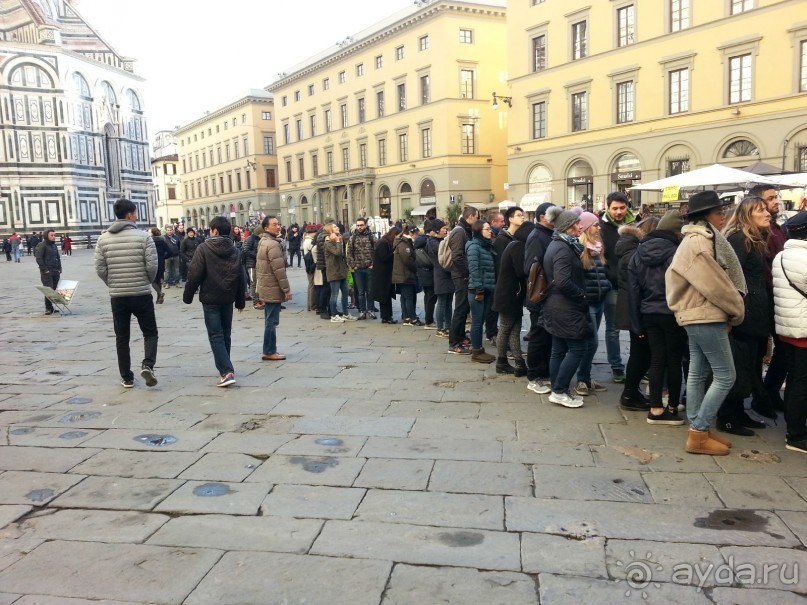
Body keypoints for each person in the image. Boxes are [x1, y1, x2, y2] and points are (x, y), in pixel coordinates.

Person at [666, 191, 746, 456]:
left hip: (697, 314)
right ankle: (699, 432)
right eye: (719, 212)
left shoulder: (696, 240)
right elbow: (716, 286)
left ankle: (697, 429)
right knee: (726, 375)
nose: (723, 216)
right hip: (704, 314)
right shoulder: (700, 243)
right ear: (706, 217)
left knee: (698, 372)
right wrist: (736, 311)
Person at [715, 196, 773, 437]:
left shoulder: (756, 239)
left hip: (756, 312)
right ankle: (727, 416)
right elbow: (730, 279)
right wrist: (731, 314)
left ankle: (738, 410)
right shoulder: (740, 239)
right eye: (761, 210)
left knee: (750, 363)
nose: (768, 213)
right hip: (744, 313)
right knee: (739, 364)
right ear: (748, 214)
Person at [627, 210, 686, 425]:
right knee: (674, 361)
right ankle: (671, 407)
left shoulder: (638, 253)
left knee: (657, 360)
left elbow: (633, 292)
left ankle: (655, 408)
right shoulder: (677, 252)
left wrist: (636, 324)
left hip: (648, 313)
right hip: (672, 313)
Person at [94, 199, 159, 388]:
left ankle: (127, 377)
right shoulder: (144, 237)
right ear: (130, 214)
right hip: (141, 294)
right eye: (136, 213)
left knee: (122, 337)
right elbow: (152, 265)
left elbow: (99, 268)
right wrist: (146, 280)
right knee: (150, 332)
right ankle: (148, 365)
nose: (137, 216)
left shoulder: (103, 238)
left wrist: (112, 283)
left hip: (118, 296)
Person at [183, 216, 246, 387]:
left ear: (214, 231)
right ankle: (226, 366)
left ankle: (226, 371)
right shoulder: (235, 250)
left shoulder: (204, 248)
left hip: (210, 298)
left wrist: (187, 296)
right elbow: (242, 277)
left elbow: (194, 273)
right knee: (225, 333)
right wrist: (240, 301)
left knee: (216, 335)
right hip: (228, 298)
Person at [748, 184, 788, 418]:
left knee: (782, 348)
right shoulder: (757, 234)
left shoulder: (778, 229)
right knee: (760, 348)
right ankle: (760, 395)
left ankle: (769, 390)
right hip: (764, 296)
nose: (776, 202)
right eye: (770, 199)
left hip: (779, 295)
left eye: (776, 198)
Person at [543, 211, 589, 408]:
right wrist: (581, 295)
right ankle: (560, 390)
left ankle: (557, 389)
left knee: (558, 350)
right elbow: (562, 281)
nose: (580, 227)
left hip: (556, 305)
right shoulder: (563, 247)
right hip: (565, 306)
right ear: (569, 227)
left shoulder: (558, 244)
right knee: (577, 349)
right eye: (577, 224)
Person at [772, 212, 807, 452]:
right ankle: (796, 434)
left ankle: (794, 428)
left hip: (787, 327)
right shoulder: (803, 258)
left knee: (795, 380)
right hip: (803, 330)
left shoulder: (782, 256)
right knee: (801, 383)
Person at [615, 217, 658, 412]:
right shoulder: (633, 252)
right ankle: (629, 393)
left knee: (640, 353)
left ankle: (631, 392)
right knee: (640, 354)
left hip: (633, 307)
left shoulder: (629, 248)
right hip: (635, 309)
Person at [599, 192, 637, 383]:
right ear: (608, 208)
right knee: (613, 328)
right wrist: (609, 277)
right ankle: (616, 366)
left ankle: (638, 366)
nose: (619, 212)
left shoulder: (635, 225)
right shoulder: (601, 227)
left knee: (636, 327)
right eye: (615, 208)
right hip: (613, 284)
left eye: (622, 208)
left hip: (633, 284)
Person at [574, 212, 611, 397]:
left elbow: (602, 273)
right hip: (587, 301)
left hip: (599, 299)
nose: (598, 228)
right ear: (586, 227)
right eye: (595, 225)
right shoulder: (580, 248)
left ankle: (586, 377)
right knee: (591, 342)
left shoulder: (598, 248)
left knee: (592, 342)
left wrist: (606, 286)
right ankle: (581, 378)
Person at [524, 204, 559, 395]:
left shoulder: (547, 233)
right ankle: (535, 375)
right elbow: (530, 267)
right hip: (540, 294)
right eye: (551, 215)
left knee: (545, 335)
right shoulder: (537, 236)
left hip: (546, 293)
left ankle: (543, 372)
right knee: (538, 334)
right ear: (541, 217)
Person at [492, 220, 533, 375]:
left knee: (514, 330)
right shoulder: (518, 246)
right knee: (505, 329)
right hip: (509, 295)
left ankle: (519, 363)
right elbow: (521, 271)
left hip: (511, 294)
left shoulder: (515, 244)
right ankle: (501, 362)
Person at [256, 215, 291, 360]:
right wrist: (286, 289)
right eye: (274, 224)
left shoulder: (263, 241)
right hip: (272, 287)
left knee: (269, 319)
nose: (278, 226)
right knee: (272, 321)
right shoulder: (272, 244)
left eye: (278, 224)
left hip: (266, 285)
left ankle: (269, 350)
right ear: (266, 228)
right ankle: (269, 351)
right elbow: (279, 271)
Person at [447, 206, 479, 354]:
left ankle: (460, 337)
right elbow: (457, 256)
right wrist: (467, 273)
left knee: (464, 308)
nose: (477, 220)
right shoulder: (459, 231)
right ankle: (453, 343)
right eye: (477, 217)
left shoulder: (463, 230)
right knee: (460, 309)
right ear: (471, 216)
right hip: (461, 276)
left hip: (462, 275)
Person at [465, 220, 496, 363]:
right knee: (477, 322)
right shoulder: (473, 247)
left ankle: (479, 349)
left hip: (487, 288)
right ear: (479, 231)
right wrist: (479, 288)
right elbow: (474, 270)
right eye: (487, 229)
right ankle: (476, 351)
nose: (490, 231)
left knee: (481, 320)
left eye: (490, 229)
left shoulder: (486, 246)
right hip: (478, 290)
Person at [347, 217, 376, 320]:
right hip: (358, 269)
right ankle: (362, 311)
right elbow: (349, 253)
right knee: (360, 292)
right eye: (358, 225)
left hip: (369, 268)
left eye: (361, 225)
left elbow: (376, 251)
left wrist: (373, 264)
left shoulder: (371, 237)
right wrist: (353, 265)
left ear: (365, 225)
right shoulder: (352, 238)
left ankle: (371, 310)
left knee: (370, 291)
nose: (359, 227)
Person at [371, 226, 401, 324]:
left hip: (385, 274)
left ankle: (387, 316)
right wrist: (394, 253)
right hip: (382, 275)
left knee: (386, 296)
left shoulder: (385, 242)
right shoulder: (383, 243)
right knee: (384, 296)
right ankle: (386, 317)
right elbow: (384, 257)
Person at [325, 224, 354, 322]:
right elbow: (337, 253)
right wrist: (338, 241)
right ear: (330, 231)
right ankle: (334, 315)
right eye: (335, 227)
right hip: (333, 272)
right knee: (334, 295)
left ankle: (345, 313)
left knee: (345, 293)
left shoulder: (340, 240)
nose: (337, 228)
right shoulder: (328, 242)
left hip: (341, 271)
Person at [35, 229, 62, 315]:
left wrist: (59, 268)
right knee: (48, 290)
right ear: (46, 236)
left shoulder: (54, 246)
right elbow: (39, 258)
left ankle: (51, 307)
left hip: (55, 271)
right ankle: (48, 308)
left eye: (54, 235)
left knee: (53, 290)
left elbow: (57, 257)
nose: (54, 237)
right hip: (47, 272)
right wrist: (45, 270)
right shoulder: (42, 245)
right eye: (52, 235)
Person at [242, 224, 263, 308]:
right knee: (253, 283)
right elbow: (246, 250)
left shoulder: (259, 239)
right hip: (251, 264)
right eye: (262, 233)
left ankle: (259, 299)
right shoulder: (250, 239)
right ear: (259, 232)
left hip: (258, 263)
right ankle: (255, 302)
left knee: (258, 283)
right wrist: (257, 255)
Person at [150, 227, 169, 304]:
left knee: (153, 281)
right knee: (159, 281)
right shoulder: (163, 241)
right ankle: (159, 299)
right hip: (161, 262)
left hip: (152, 262)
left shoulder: (150, 241)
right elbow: (170, 252)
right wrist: (163, 257)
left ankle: (160, 294)